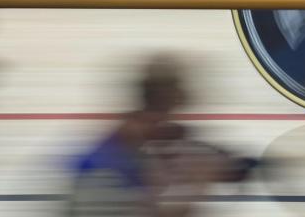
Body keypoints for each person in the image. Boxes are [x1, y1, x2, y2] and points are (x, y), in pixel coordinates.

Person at [66, 54, 259, 217]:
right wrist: (200, 182)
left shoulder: (154, 131)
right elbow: (154, 206)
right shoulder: (134, 139)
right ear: (169, 95)